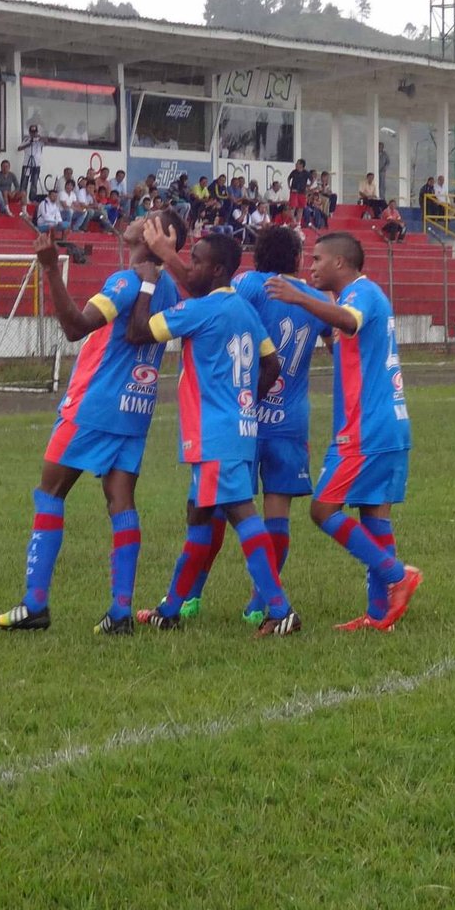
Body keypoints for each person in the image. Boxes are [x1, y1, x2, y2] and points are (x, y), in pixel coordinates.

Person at [0, 209, 188, 634]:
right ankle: (120, 612)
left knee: (50, 492)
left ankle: (35, 603)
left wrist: (49, 271)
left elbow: (76, 328)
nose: (136, 218)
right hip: (137, 407)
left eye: (147, 216)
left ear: (155, 236)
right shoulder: (167, 286)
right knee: (121, 503)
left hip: (95, 405)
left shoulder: (125, 281)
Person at [126, 230, 296, 636]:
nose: (190, 266)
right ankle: (171, 607)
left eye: (197, 261)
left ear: (218, 269)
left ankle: (280, 609)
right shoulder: (243, 309)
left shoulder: (201, 310)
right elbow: (272, 366)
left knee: (240, 511)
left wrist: (149, 282)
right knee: (199, 516)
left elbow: (137, 331)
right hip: (236, 428)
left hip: (214, 432)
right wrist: (244, 403)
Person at [165, 225, 335, 623]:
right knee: (275, 514)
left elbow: (211, 303)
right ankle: (261, 602)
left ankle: (190, 596)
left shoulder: (249, 286)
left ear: (257, 257)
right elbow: (336, 339)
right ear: (295, 258)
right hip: (290, 419)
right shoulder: (313, 298)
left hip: (242, 416)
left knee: (213, 507)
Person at [266, 232, 422, 631]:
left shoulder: (360, 295)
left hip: (365, 429)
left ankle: (397, 576)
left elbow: (349, 321)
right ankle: (378, 614)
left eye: (318, 259)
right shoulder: (353, 297)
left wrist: (300, 298)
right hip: (386, 423)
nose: (311, 266)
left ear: (340, 263)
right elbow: (345, 334)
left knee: (323, 510)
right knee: (373, 516)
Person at [16, 123, 44, 196]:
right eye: (32, 132)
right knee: (24, 181)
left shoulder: (39, 140)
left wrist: (39, 138)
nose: (33, 133)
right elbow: (19, 148)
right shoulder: (26, 139)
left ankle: (32, 198)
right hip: (27, 164)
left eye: (35, 132)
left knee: (34, 182)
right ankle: (22, 197)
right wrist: (29, 143)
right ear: (29, 132)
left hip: (36, 164)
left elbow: (46, 142)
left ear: (37, 132)